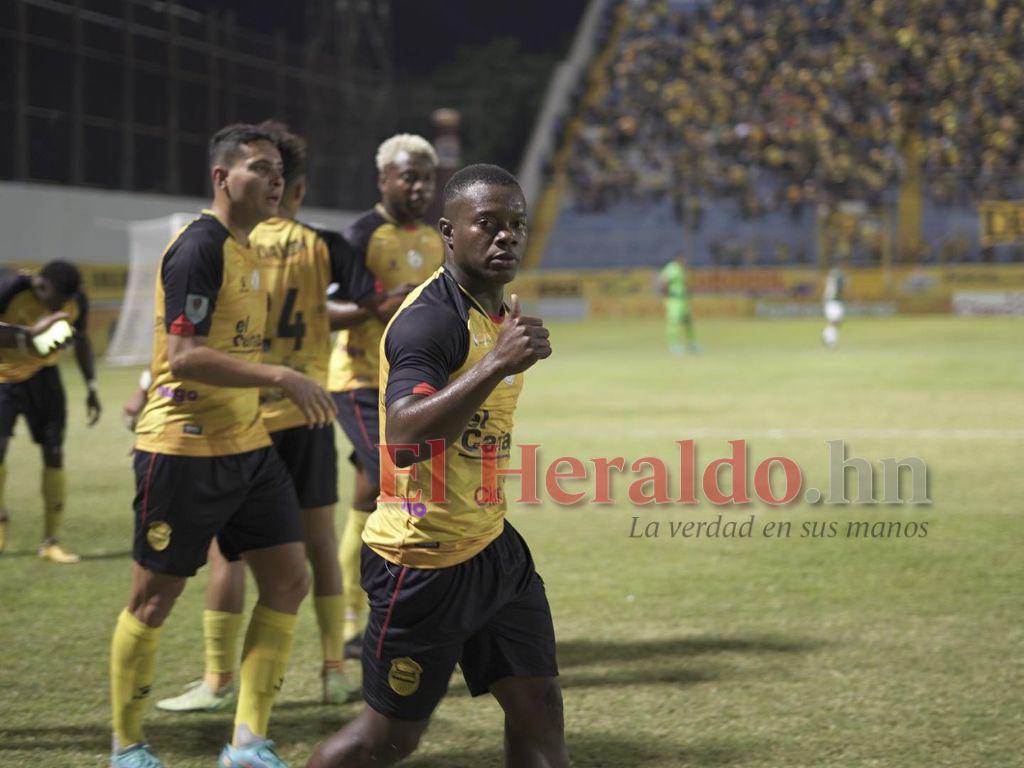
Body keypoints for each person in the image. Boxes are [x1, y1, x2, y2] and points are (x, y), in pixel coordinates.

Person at [308, 164, 568, 767]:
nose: (506, 237)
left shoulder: (497, 309)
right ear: (449, 233)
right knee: (385, 742)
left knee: (540, 709)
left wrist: (500, 355)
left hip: (492, 546)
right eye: (488, 225)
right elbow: (400, 432)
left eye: (516, 226)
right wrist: (494, 365)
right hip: (421, 561)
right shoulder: (432, 319)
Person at [109, 123, 337, 768]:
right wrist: (280, 375)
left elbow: (188, 348)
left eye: (277, 172)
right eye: (259, 169)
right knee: (154, 598)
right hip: (181, 451)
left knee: (288, 580)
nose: (273, 181)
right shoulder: (198, 248)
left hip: (248, 446)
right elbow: (184, 355)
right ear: (221, 178)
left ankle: (247, 743)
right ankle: (127, 746)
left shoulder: (247, 249)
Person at [152, 121, 383, 714]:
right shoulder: (320, 243)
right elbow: (366, 307)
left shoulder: (241, 244)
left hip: (245, 413)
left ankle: (216, 678)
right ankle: (334, 668)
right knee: (317, 547)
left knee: (226, 554)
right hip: (301, 411)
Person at [327, 133, 444, 657]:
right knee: (395, 482)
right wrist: (375, 306)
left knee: (366, 495)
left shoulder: (441, 238)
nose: (418, 186)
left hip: (412, 386)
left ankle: (353, 619)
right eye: (407, 176)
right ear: (384, 181)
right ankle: (374, 619)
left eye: (425, 177)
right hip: (358, 381)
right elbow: (321, 309)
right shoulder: (360, 235)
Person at [0, 261, 101, 563]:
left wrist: (92, 387)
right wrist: (29, 336)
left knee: (54, 452)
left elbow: (81, 343)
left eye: (66, 301)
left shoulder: (75, 301)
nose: (61, 306)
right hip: (3, 377)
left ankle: (51, 541)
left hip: (44, 378)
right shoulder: (10, 289)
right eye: (57, 299)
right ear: (42, 286)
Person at [656, 252, 699, 355]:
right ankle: (673, 345)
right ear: (679, 258)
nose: (685, 262)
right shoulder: (671, 268)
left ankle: (691, 344)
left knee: (688, 321)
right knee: (674, 322)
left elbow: (683, 284)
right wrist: (667, 294)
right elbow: (663, 281)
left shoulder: (681, 269)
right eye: (684, 259)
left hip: (682, 299)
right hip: (674, 300)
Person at [822, 265, 846, 349]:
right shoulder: (837, 279)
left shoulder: (832, 279)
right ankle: (831, 341)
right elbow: (839, 289)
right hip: (833, 302)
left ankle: (826, 334)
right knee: (833, 321)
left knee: (838, 322)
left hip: (834, 302)